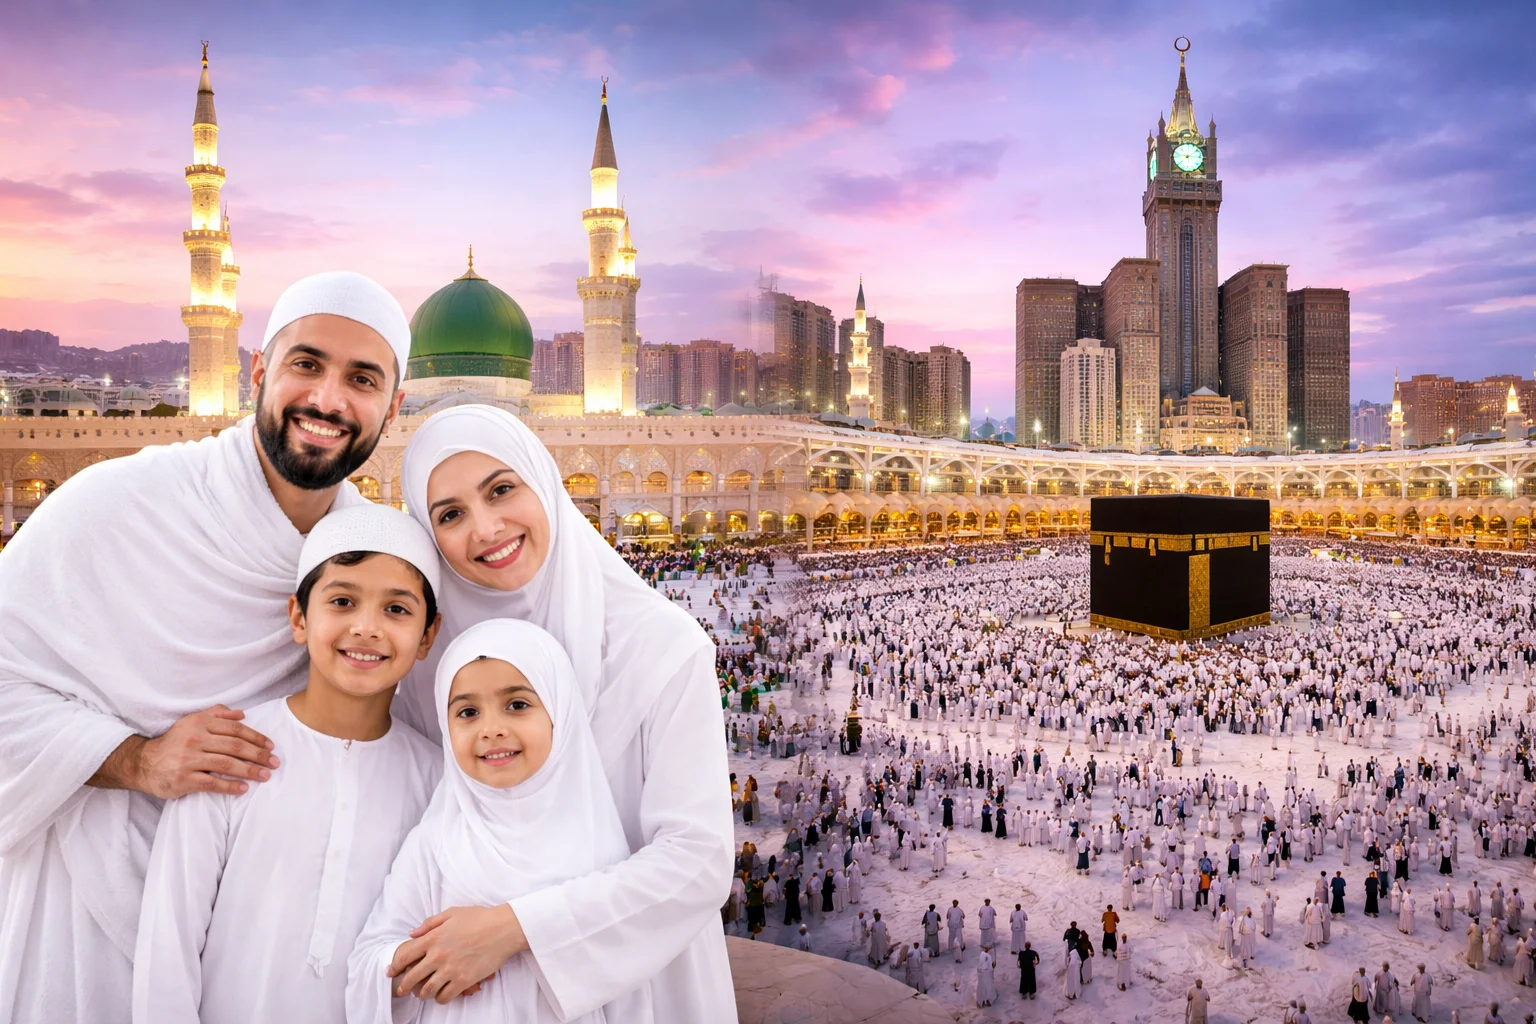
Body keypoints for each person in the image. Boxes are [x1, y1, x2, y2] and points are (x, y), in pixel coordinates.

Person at [0, 270, 411, 1024]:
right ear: (258, 371)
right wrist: (137, 760)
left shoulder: (362, 561)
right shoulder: (118, 504)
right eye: (306, 364)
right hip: (82, 926)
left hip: (251, 946)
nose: (327, 399)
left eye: (362, 379)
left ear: (394, 405)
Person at [396, 405, 734, 1021]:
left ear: (543, 483)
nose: (486, 528)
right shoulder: (429, 666)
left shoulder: (658, 646)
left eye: (502, 489)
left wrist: (514, 929)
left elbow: (697, 860)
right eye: (450, 514)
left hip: (643, 984)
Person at [132, 506, 444, 1023]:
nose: (366, 628)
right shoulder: (231, 750)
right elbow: (169, 943)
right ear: (299, 617)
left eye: (396, 609)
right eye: (342, 601)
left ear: (427, 636)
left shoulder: (438, 782)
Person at [348, 619, 651, 1023]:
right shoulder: (437, 842)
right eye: (468, 712)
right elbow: (372, 955)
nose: (491, 730)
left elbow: (626, 988)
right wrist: (418, 961)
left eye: (517, 705)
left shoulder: (600, 849)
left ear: (559, 713)